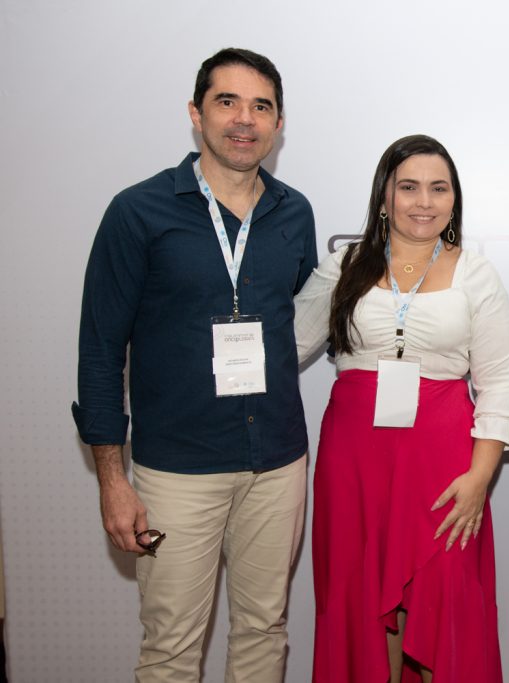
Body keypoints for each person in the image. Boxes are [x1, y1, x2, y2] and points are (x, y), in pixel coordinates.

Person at [72, 48, 317, 681]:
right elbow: (100, 350)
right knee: (172, 648)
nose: (244, 119)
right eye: (227, 102)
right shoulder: (138, 212)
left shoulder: (294, 213)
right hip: (176, 471)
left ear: (279, 123)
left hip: (278, 463)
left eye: (261, 106)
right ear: (195, 113)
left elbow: (300, 323)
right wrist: (111, 479)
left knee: (265, 630)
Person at [294, 134, 509, 682]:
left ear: (454, 200)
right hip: (355, 467)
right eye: (409, 187)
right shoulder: (344, 266)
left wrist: (480, 478)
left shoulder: (476, 274)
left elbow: (499, 385)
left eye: (439, 189)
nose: (424, 201)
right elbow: (286, 348)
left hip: (444, 469)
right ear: (384, 197)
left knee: (446, 604)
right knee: (359, 601)